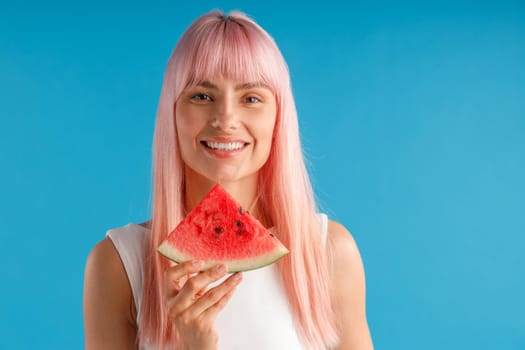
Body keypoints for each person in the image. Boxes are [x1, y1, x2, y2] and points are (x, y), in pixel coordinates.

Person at [83, 10, 374, 350]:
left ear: (279, 118)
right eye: (202, 96)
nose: (226, 119)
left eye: (251, 98)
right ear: (172, 113)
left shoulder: (329, 252)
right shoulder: (118, 262)